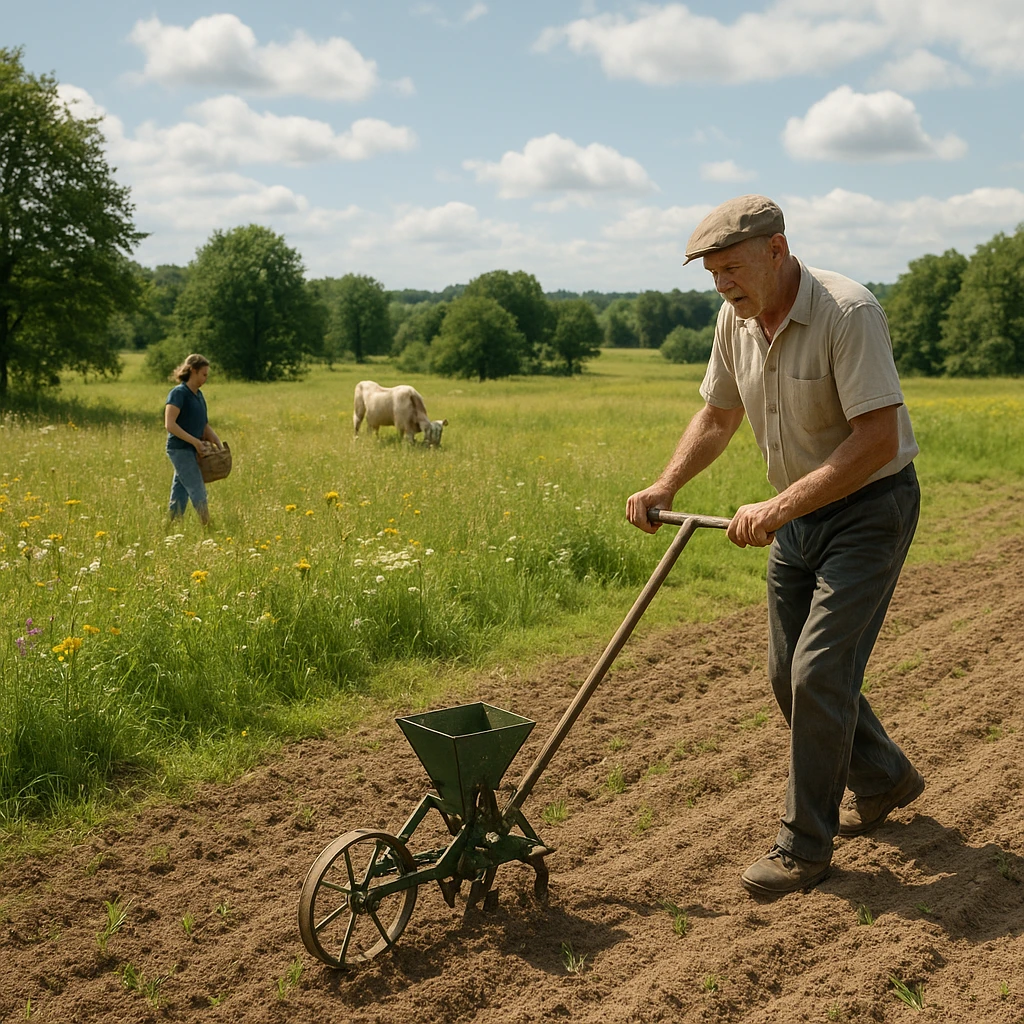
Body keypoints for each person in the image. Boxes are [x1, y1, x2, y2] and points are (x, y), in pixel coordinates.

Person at [626, 195, 924, 898]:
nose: (723, 284)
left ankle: (804, 847)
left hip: (868, 510)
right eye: (712, 273)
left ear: (777, 250)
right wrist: (666, 483)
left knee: (820, 670)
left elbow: (876, 438)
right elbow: (719, 413)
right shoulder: (735, 323)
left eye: (732, 267)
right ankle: (883, 778)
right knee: (788, 671)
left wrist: (777, 506)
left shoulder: (847, 313)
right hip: (799, 519)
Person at [164, 353, 223, 525]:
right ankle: (208, 525)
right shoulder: (178, 393)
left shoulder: (199, 396)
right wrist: (195, 442)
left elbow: (204, 425)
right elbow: (170, 424)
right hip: (179, 449)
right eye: (204, 374)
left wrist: (217, 443)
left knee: (180, 490)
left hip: (193, 449)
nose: (206, 378)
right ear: (193, 371)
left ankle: (172, 526)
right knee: (197, 487)